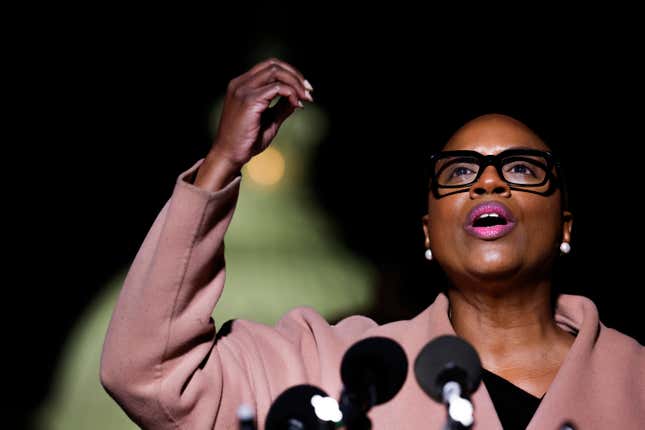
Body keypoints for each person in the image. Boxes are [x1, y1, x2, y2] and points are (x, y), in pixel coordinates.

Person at [100, 58, 644, 430]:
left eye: (521, 168)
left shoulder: (636, 376)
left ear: (567, 226)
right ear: (429, 232)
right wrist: (221, 162)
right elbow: (148, 373)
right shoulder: (337, 368)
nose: (488, 182)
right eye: (459, 173)